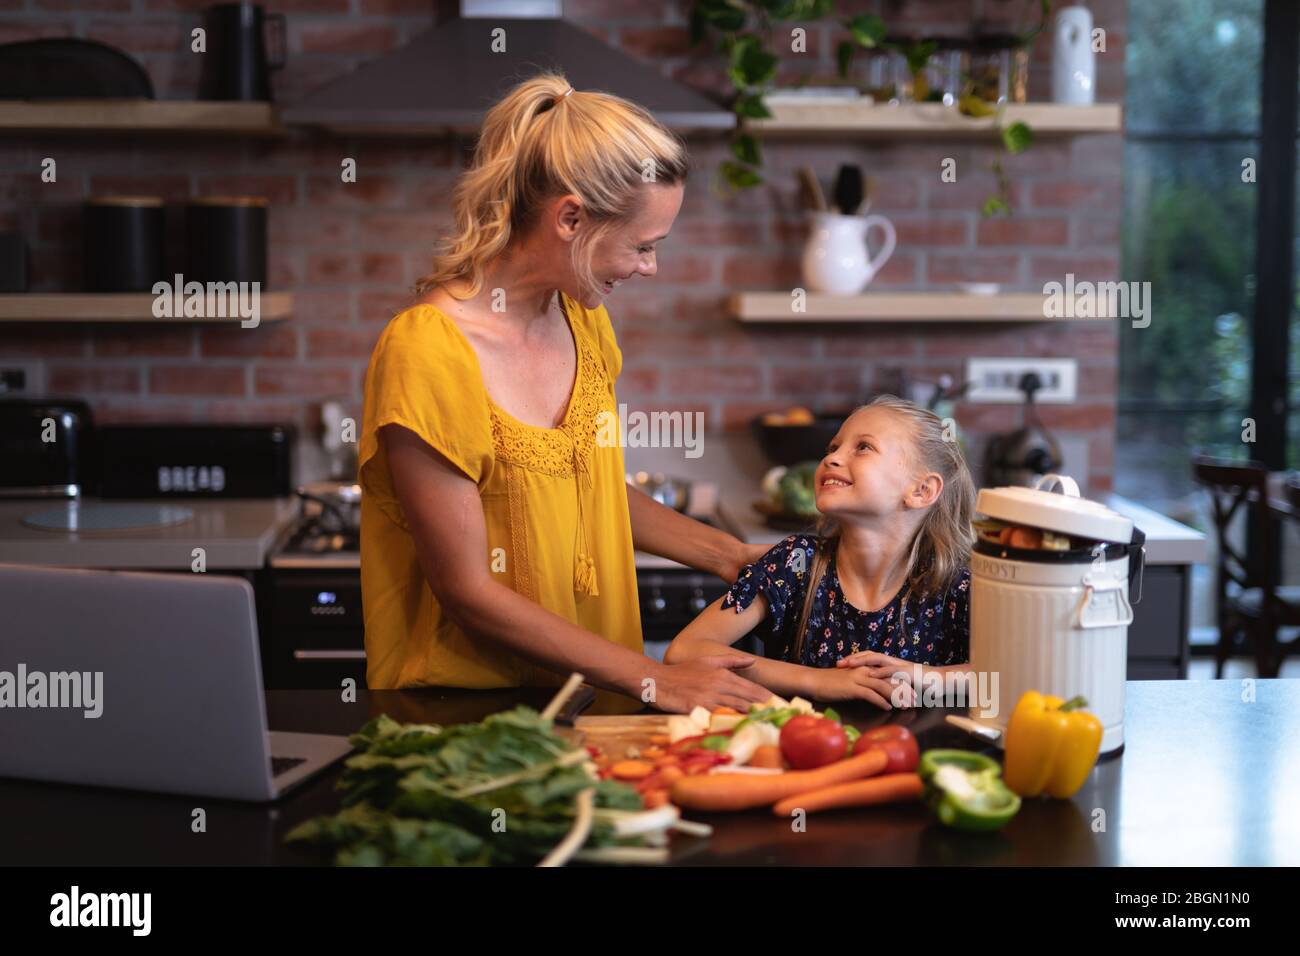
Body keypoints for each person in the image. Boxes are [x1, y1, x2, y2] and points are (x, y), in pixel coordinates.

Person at [357, 72, 770, 713]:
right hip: (471, 718)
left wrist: (731, 555)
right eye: (642, 246)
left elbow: (588, 485)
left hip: (595, 700)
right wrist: (653, 675)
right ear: (571, 217)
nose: (649, 268)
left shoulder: (582, 319)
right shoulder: (427, 352)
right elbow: (467, 591)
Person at [665, 396, 976, 709]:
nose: (832, 459)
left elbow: (1013, 676)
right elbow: (684, 650)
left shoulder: (958, 585)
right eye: (833, 448)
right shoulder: (795, 563)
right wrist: (816, 680)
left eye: (863, 447)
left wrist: (927, 676)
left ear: (922, 491)